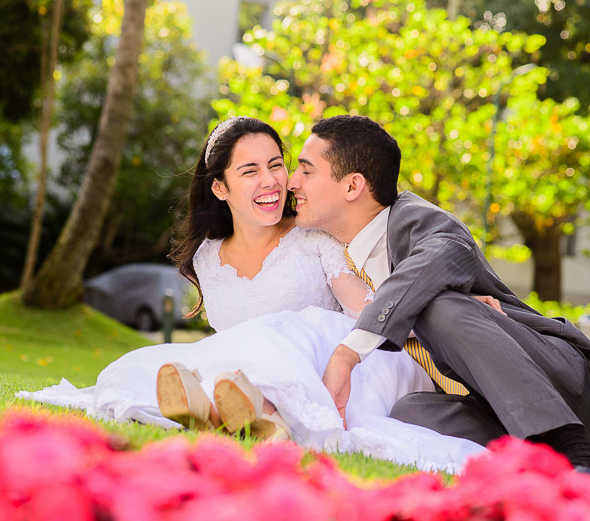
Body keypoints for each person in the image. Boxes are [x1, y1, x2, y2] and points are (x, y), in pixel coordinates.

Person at [17, 117, 483, 473]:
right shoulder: (207, 258)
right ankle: (229, 409)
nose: (272, 181)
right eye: (251, 171)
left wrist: (438, 305)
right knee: (167, 364)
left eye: (277, 165)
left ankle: (255, 410)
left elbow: (366, 305)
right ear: (220, 188)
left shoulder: (314, 238)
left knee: (285, 332)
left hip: (333, 367)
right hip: (244, 367)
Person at [288, 114, 590, 484]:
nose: (292, 182)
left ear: (353, 185)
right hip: (486, 407)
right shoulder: (335, 258)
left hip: (555, 378)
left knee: (433, 302)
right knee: (409, 416)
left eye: (306, 171)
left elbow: (445, 254)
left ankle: (577, 450)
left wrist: (348, 352)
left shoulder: (415, 219)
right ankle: (545, 466)